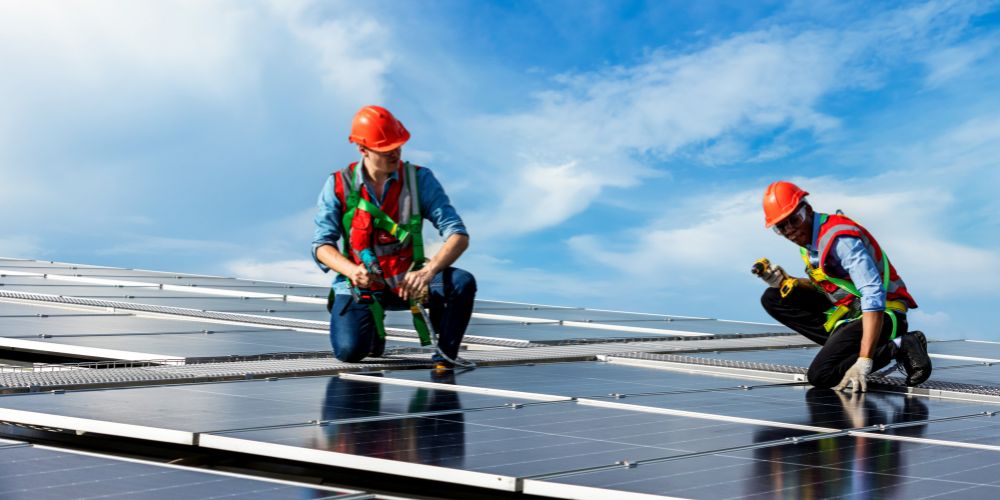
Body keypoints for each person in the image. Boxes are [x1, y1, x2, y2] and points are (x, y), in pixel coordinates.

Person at [312, 105, 475, 367]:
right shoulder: (338, 184)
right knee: (350, 351)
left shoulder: (419, 179)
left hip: (409, 282)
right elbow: (322, 245)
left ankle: (444, 358)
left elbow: (458, 234)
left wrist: (428, 271)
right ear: (363, 149)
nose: (395, 153)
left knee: (462, 282)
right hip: (362, 285)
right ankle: (371, 334)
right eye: (386, 149)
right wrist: (353, 271)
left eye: (398, 147)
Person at [755, 181, 931, 392]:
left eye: (794, 219)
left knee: (821, 375)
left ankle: (902, 345)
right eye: (781, 227)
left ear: (807, 210)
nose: (790, 230)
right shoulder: (809, 245)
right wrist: (784, 281)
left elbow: (872, 292)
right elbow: (830, 287)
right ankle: (843, 348)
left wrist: (865, 360)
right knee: (773, 297)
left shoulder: (840, 239)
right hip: (850, 313)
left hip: (884, 314)